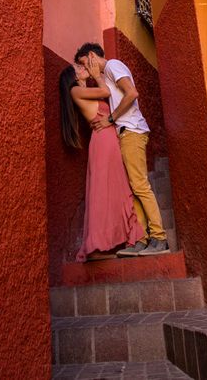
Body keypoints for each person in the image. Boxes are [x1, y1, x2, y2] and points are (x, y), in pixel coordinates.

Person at [74, 43, 169, 257]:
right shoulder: (106, 75)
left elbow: (131, 93)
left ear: (91, 56)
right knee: (132, 188)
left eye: (85, 65)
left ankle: (160, 238)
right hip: (124, 134)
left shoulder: (113, 65)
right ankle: (142, 239)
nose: (87, 72)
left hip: (132, 131)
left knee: (140, 186)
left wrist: (110, 119)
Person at [59, 54, 144, 262]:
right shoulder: (76, 90)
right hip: (103, 142)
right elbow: (106, 91)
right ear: (73, 76)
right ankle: (96, 247)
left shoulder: (83, 90)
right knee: (104, 192)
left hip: (107, 140)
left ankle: (117, 239)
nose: (81, 68)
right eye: (77, 67)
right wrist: (97, 76)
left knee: (115, 189)